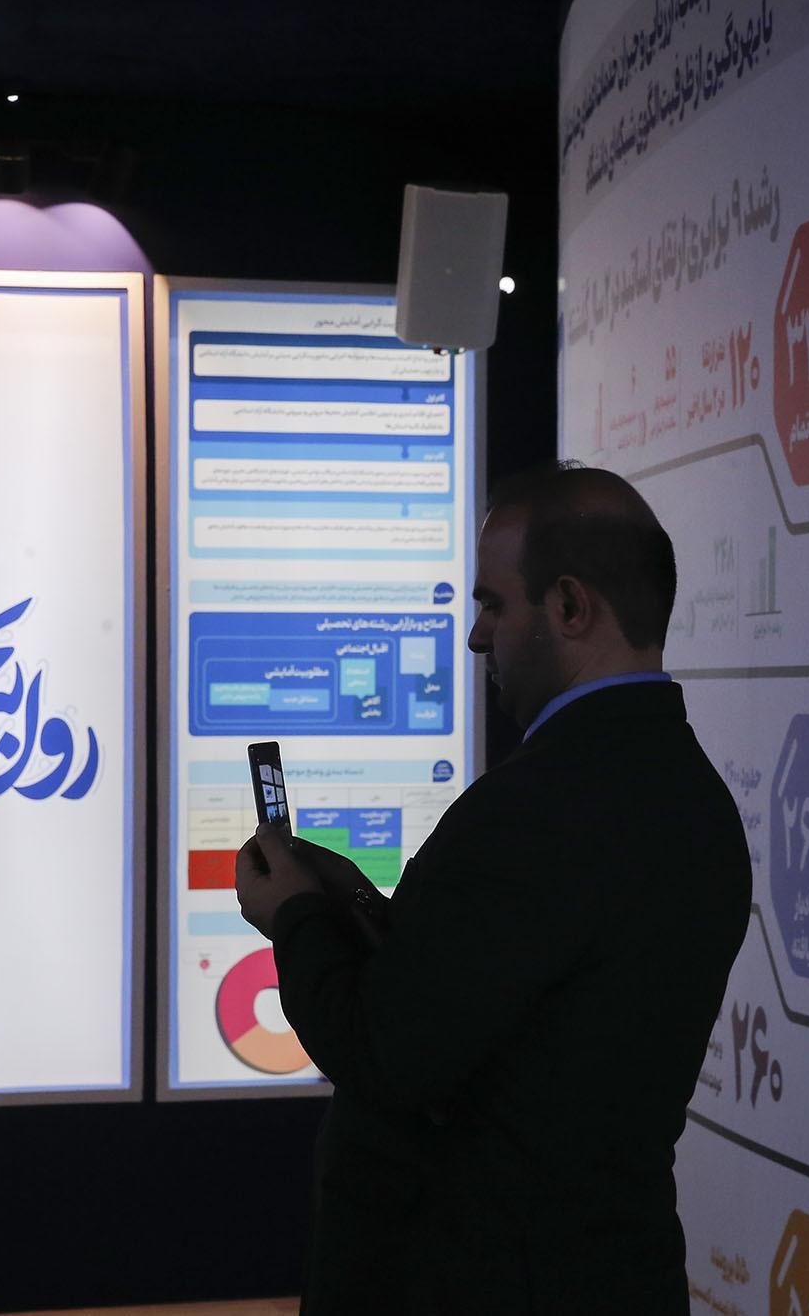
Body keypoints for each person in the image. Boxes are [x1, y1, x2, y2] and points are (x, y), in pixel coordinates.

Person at [234, 462, 753, 1314]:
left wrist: (292, 915)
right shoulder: (698, 800)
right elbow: (504, 999)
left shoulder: (535, 808)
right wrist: (355, 904)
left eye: (492, 604)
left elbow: (385, 1050)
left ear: (570, 606)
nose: (477, 637)